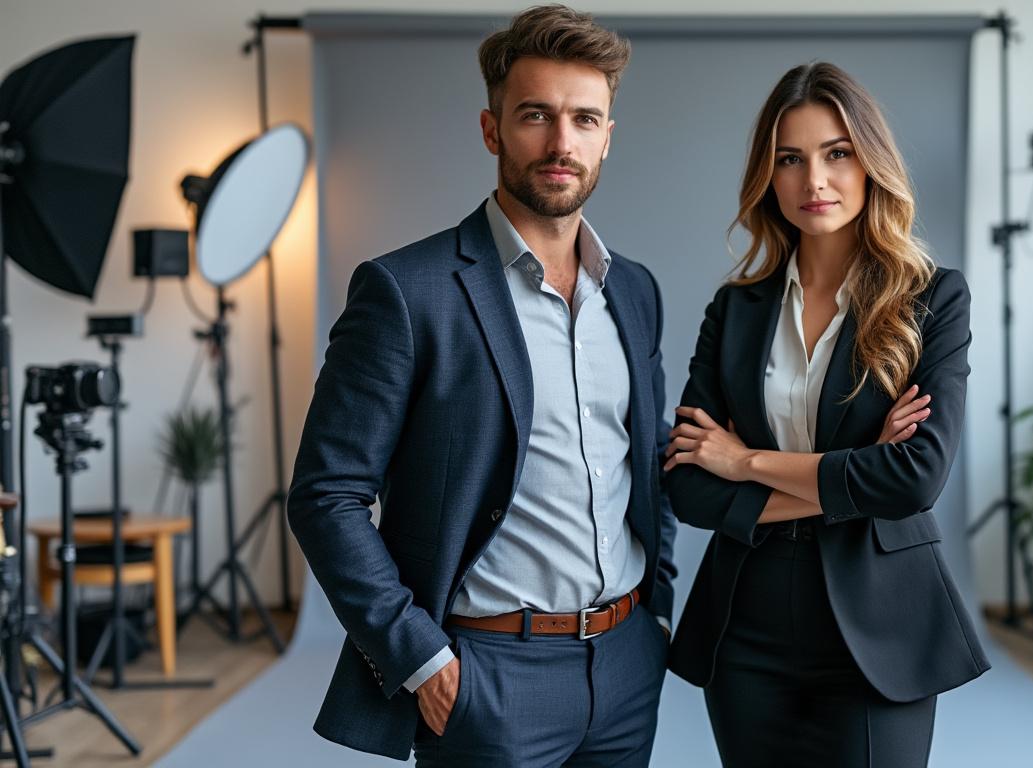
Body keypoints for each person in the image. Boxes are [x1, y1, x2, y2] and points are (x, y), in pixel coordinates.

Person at [287, 6, 677, 765]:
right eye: (536, 115)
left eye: (584, 119)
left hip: (628, 664)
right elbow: (325, 494)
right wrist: (424, 664)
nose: (562, 143)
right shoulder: (408, 291)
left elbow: (643, 464)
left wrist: (654, 614)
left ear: (607, 138)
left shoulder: (634, 292)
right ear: (492, 128)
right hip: (488, 677)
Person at [663, 62, 989, 767]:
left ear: (871, 164)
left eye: (837, 153)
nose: (815, 180)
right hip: (746, 624)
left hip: (880, 623)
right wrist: (853, 471)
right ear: (768, 177)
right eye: (791, 159)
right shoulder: (735, 310)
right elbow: (688, 486)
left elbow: (913, 480)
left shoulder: (931, 301)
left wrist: (743, 462)